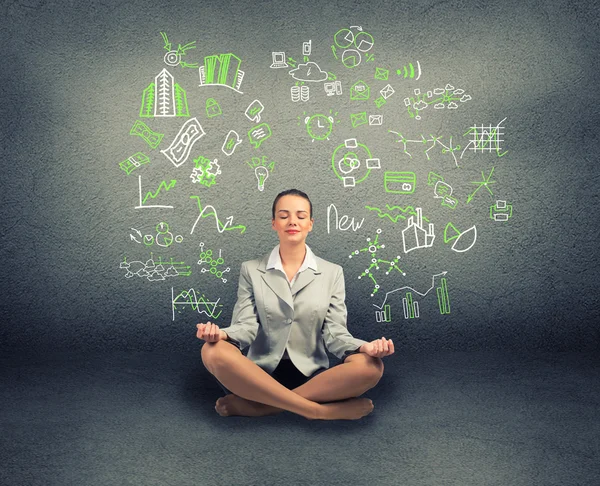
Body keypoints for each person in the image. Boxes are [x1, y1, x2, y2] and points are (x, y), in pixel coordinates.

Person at [197, 189, 394, 420]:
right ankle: (317, 411)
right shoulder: (251, 270)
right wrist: (220, 334)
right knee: (212, 351)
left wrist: (365, 348)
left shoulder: (332, 272)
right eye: (284, 216)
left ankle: (262, 406)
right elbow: (245, 327)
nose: (293, 222)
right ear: (273, 223)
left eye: (301, 216)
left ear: (310, 223)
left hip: (312, 377)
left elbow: (335, 333)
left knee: (371, 366)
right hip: (257, 375)